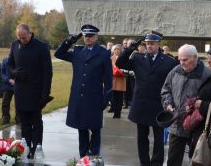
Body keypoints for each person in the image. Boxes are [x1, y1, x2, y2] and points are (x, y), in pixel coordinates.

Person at [116, 30, 177, 166]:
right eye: (147, 43)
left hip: (158, 104)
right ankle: (144, 161)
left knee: (158, 137)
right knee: (142, 136)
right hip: (141, 103)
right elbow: (120, 63)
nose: (149, 46)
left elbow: (173, 82)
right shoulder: (138, 58)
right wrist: (129, 49)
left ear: (158, 45)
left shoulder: (168, 61)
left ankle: (156, 162)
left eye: (152, 44)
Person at [161, 44, 211, 166]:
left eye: (186, 60)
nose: (182, 63)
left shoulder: (207, 75)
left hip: (197, 125)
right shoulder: (175, 71)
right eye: (180, 59)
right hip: (177, 124)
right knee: (173, 159)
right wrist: (168, 103)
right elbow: (165, 89)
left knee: (196, 160)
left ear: (195, 58)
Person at [55, 24, 113, 157]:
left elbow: (108, 78)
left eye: (91, 36)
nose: (88, 38)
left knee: (95, 129)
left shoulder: (103, 53)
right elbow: (59, 53)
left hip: (94, 97)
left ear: (96, 37)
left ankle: (95, 157)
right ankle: (83, 157)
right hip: (79, 97)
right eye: (86, 36)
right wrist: (70, 41)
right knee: (82, 129)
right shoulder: (78, 51)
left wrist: (107, 96)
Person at [7, 23, 53, 157]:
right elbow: (9, 64)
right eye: (19, 37)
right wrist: (14, 72)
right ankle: (26, 146)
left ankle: (37, 147)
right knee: (24, 122)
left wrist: (45, 93)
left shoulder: (41, 47)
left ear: (30, 33)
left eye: (24, 37)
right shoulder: (15, 45)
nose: (22, 40)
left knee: (36, 121)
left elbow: (47, 72)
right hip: (20, 90)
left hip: (36, 91)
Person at [1, 57, 19, 124]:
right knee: (5, 103)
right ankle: (5, 118)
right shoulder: (5, 60)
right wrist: (8, 80)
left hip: (18, 85)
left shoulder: (20, 59)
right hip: (7, 86)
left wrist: (16, 81)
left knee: (19, 103)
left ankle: (19, 118)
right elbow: (2, 73)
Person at [111, 44, 126, 119]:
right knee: (113, 98)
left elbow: (127, 69)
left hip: (120, 80)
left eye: (118, 49)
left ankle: (118, 113)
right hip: (112, 81)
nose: (116, 50)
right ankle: (114, 111)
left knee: (119, 99)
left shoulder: (123, 59)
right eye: (115, 49)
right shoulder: (110, 59)